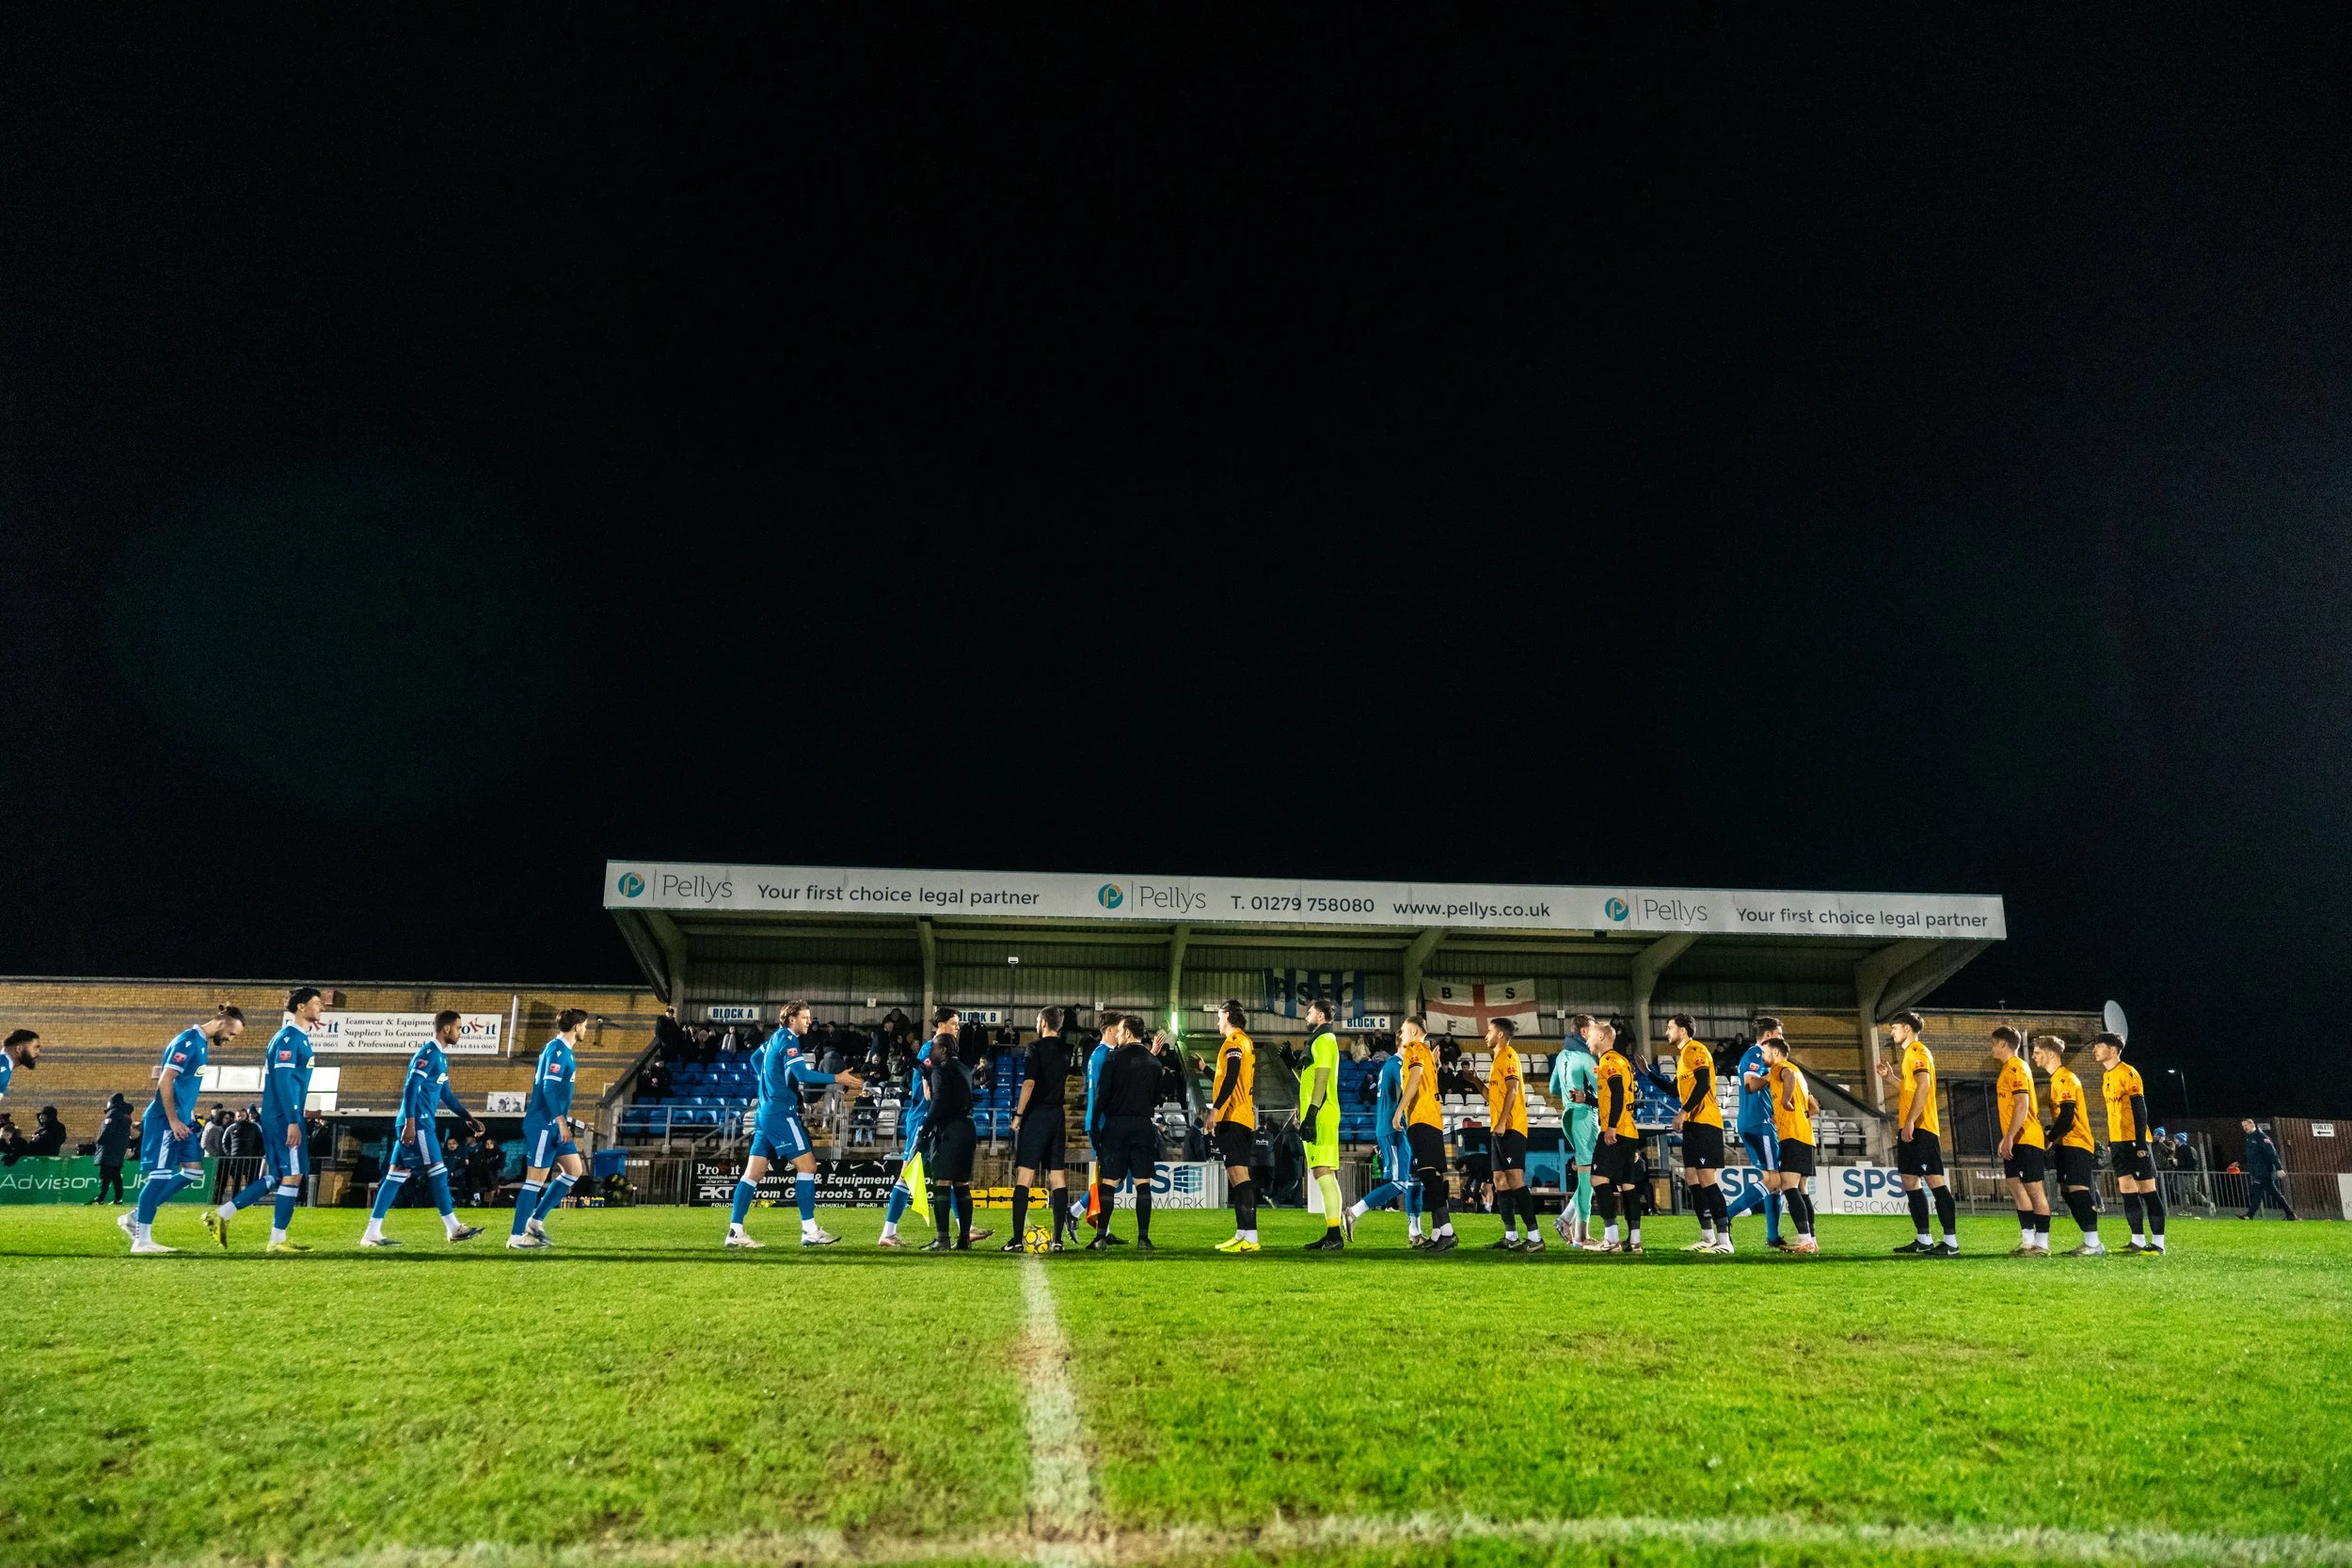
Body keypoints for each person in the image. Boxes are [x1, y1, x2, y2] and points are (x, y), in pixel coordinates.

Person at [725, 1002, 863, 1249]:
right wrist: (836, 1078)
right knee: (808, 1166)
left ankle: (735, 1233)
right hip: (780, 1113)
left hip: (765, 1112)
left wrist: (770, 1083)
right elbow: (802, 1075)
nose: (809, 1021)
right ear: (791, 1019)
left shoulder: (774, 1038)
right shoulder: (789, 1039)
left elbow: (757, 1058)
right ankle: (809, 1231)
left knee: (753, 1173)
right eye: (805, 1017)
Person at [207, 987, 325, 1254]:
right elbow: (283, 1083)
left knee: (275, 1177)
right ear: (301, 1007)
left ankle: (221, 1215)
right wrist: (294, 1120)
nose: (322, 1007)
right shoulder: (287, 1039)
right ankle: (277, 1240)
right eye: (316, 1003)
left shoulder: (300, 1039)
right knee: (293, 1174)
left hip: (282, 1115)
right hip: (283, 1117)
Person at [361, 1012, 488, 1248]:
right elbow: (411, 1086)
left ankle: (372, 1233)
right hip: (417, 1122)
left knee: (396, 1174)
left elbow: (446, 1094)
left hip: (418, 1122)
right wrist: (410, 1123)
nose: (461, 1033)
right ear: (447, 1029)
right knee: (438, 1171)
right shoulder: (428, 1053)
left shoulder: (440, 1057)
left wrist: (467, 1117)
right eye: (459, 1028)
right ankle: (453, 1228)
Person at [125, 1006, 246, 1254]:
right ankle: (142, 1240)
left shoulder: (201, 1045)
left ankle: (136, 1217)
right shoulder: (188, 1041)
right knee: (159, 1177)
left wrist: (188, 1116)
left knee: (193, 1172)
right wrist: (172, 1119)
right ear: (223, 1022)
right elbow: (165, 1080)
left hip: (182, 1120)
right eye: (232, 1034)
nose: (230, 1040)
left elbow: (184, 1087)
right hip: (165, 1120)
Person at [1875, 1012, 1957, 1256]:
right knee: (1910, 1180)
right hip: (1911, 1126)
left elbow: (1925, 1086)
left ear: (1908, 1029)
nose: (1892, 1032)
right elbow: (1910, 1088)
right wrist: (1891, 1079)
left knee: (1934, 1180)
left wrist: (1911, 1120)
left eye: (1895, 1028)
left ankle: (1951, 1243)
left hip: (1922, 1127)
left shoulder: (1918, 1051)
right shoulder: (1909, 1054)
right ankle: (1924, 1239)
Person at [509, 1008, 592, 1249]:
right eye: (585, 1025)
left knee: (574, 1170)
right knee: (534, 1181)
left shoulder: (564, 1050)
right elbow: (548, 1088)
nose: (586, 1029)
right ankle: (515, 1237)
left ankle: (535, 1221)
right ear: (577, 1026)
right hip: (544, 1124)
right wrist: (561, 1121)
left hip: (554, 1124)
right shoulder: (557, 1050)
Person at [1345, 1023, 1424, 1244]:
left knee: (1414, 1181)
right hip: (1394, 1129)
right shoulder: (1398, 1065)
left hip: (1401, 1129)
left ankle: (1415, 1233)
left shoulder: (1393, 1065)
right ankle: (1354, 1212)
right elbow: (1412, 1090)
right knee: (1400, 1182)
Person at [1090, 1014, 1165, 1250]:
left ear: (1129, 1033)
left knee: (1109, 1182)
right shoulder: (1154, 1063)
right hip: (1143, 1126)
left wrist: (1094, 1125)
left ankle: (1101, 1236)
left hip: (1116, 1126)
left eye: (1121, 1032)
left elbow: (1101, 1096)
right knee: (1143, 1183)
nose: (1119, 1036)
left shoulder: (1113, 1058)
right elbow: (1156, 1099)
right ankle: (1143, 1237)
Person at [1006, 1006, 1073, 1253]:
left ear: (1044, 1023)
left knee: (1025, 1176)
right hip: (1058, 1115)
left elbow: (1030, 1082)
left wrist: (1019, 1115)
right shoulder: (1068, 1050)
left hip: (1037, 1116)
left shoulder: (1035, 1048)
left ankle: (1015, 1240)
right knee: (1057, 1177)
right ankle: (1057, 1240)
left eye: (1037, 1021)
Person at [2091, 1032, 2164, 1255]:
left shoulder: (2128, 1072)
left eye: (2099, 1046)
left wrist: (2142, 1143)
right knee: (2127, 1190)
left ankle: (2159, 1244)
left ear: (2113, 1049)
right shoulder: (2106, 1076)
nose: (2095, 1050)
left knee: (2147, 1190)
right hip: (2119, 1142)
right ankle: (2138, 1240)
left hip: (2136, 1141)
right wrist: (2112, 1140)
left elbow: (2139, 1108)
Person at [917, 1008, 979, 1250]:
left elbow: (939, 1101)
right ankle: (964, 1239)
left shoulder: (941, 1071)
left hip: (949, 1130)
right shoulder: (964, 1068)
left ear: (942, 1050)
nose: (930, 1053)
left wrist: (926, 1129)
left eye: (934, 1049)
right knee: (962, 1185)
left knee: (942, 1182)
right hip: (968, 1128)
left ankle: (942, 1239)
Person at [1394, 1015, 1457, 1253]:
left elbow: (1415, 1077)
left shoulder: (1414, 1048)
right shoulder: (1427, 1053)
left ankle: (1448, 1233)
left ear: (1412, 1031)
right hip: (1432, 1120)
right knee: (1433, 1177)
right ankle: (1438, 1232)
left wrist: (1399, 1109)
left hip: (1421, 1119)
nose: (1401, 1034)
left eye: (1402, 1030)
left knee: (1428, 1176)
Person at [2036, 1036, 2104, 1255]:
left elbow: (2067, 1116)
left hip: (2077, 1142)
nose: (2034, 1056)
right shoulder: (2055, 1080)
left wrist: (2049, 1138)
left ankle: (2094, 1243)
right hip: (2065, 1144)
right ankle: (2090, 1240)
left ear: (2051, 1054)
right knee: (2067, 1191)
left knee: (2078, 1190)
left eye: (2038, 1052)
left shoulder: (2066, 1079)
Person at [1721, 1019, 1786, 1249]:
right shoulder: (1757, 1054)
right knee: (1773, 1180)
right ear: (1768, 1035)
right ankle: (1726, 1216)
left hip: (1755, 1122)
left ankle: (1773, 1236)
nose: (1782, 1039)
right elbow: (1750, 1084)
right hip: (1760, 1122)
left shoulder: (1758, 1055)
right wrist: (1775, 1073)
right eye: (1779, 1034)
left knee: (1772, 1181)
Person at [1668, 1015, 1729, 1254]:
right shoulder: (1683, 1057)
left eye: (1670, 1028)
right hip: (1693, 1125)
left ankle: (1725, 1241)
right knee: (1692, 1179)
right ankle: (1707, 1236)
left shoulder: (1696, 1049)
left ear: (1683, 1031)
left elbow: (1703, 1084)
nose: (1667, 1032)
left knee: (1706, 1179)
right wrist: (1647, 1073)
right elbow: (1674, 1089)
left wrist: (1683, 1112)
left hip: (1705, 1122)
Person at [1990, 1026, 2050, 1256]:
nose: (1992, 1048)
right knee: (2016, 1188)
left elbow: (2022, 1105)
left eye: (1994, 1043)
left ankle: (2042, 1245)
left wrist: (2009, 1137)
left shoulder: (2017, 1067)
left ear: (2003, 1044)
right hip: (2015, 1139)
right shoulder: (2006, 1069)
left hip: (2026, 1138)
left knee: (2034, 1190)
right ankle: (2027, 1242)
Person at [1480, 1017, 1539, 1252]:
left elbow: (1513, 1089)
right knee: (1499, 1180)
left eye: (1490, 1031)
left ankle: (1535, 1237)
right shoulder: (1496, 1061)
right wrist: (1475, 1082)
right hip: (1498, 1128)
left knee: (1515, 1179)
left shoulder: (1509, 1055)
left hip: (1511, 1127)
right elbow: (1493, 1096)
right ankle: (1511, 1235)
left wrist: (1504, 1122)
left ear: (1501, 1035)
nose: (1486, 1035)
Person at [1207, 1001, 1262, 1254]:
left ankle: (1251, 1238)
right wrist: (1206, 1070)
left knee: (1241, 1177)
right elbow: (1232, 1079)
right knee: (1236, 1176)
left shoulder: (1234, 1042)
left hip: (1234, 1117)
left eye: (1219, 1017)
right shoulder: (1244, 1042)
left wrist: (1215, 1110)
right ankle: (1242, 1233)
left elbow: (1231, 1078)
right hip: (1240, 1116)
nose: (1218, 1022)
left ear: (1228, 1016)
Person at [1296, 998, 1350, 1251]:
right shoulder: (1319, 1041)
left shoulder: (1324, 1040)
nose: (1306, 1016)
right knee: (1322, 1171)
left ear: (1320, 1016)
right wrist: (1291, 1065)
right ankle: (1332, 1233)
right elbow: (1310, 1079)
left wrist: (1311, 1114)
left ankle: (1334, 1234)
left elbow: (1322, 1080)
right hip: (1319, 1112)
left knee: (1323, 1171)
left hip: (1321, 1114)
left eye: (1309, 1013)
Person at [877, 1028, 937, 1249]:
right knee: (907, 1173)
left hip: (935, 1118)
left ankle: (965, 1228)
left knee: (948, 1174)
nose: (957, 1027)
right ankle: (888, 1232)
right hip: (923, 1119)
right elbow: (927, 1088)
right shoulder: (930, 1049)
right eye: (953, 1023)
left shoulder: (945, 1049)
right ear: (940, 1026)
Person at [1758, 1035, 1820, 1253]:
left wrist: (1784, 1102)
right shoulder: (1799, 1073)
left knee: (1788, 1185)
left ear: (1775, 1053)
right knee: (1801, 1189)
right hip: (1806, 1136)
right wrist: (1793, 1116)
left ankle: (1805, 1241)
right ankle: (1811, 1239)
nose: (1763, 1056)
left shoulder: (1781, 1067)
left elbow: (1789, 1076)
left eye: (1765, 1052)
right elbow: (1814, 1107)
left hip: (1792, 1137)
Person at [1548, 1015, 1602, 1249]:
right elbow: (1603, 1089)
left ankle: (1565, 1219)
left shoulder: (1561, 1056)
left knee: (1587, 1175)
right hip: (1584, 1115)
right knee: (1588, 1176)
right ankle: (1582, 1235)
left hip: (1568, 1115)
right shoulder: (1586, 1058)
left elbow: (1552, 1088)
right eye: (1592, 1029)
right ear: (1583, 1032)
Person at [1591, 1020, 1645, 1254]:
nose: (1587, 1040)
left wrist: (1611, 1127)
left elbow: (1618, 1093)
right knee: (1628, 1186)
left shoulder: (1609, 1060)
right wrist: (1589, 1100)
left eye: (1590, 1035)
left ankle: (1611, 1238)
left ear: (1602, 1037)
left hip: (1616, 1131)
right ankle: (1634, 1241)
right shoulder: (1623, 1060)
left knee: (1598, 1180)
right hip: (1629, 1131)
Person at [2240, 1118, 2296, 1220]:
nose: (2245, 1128)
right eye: (2243, 1126)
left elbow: (2272, 1153)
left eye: (2246, 1125)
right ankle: (2290, 1214)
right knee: (2271, 1193)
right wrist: (2238, 1162)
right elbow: (2250, 1155)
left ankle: (2249, 1216)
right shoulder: (2249, 1137)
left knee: (2259, 1193)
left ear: (2252, 1124)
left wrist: (2279, 1168)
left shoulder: (2261, 1137)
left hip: (2265, 1171)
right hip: (2258, 1171)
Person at [92, 1092, 132, 1204]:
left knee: (105, 1174)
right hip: (119, 1149)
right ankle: (118, 1198)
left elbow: (106, 1130)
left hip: (108, 1148)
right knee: (116, 1175)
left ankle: (100, 1198)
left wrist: (98, 1142)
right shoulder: (126, 1115)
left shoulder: (112, 1113)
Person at [0, 1028, 40, 1108]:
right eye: (35, 1047)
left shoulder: (5, 1066)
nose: (38, 1053)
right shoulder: (3, 1071)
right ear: (18, 1049)